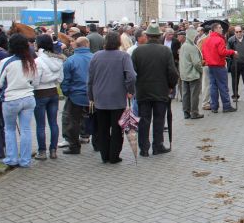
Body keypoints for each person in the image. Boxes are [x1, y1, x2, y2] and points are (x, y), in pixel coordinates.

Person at [88, 31, 135, 164]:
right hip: (117, 98)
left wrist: (91, 96)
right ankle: (114, 155)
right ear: (119, 42)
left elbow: (90, 79)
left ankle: (105, 155)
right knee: (117, 128)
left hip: (100, 98)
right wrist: (130, 90)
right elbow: (131, 76)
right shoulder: (123, 56)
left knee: (102, 128)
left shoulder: (96, 56)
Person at [132, 22, 179, 156]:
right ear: (159, 36)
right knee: (159, 120)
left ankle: (144, 148)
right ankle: (157, 145)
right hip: (160, 91)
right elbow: (172, 72)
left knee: (143, 120)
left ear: (147, 36)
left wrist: (134, 88)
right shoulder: (165, 51)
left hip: (143, 91)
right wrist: (171, 86)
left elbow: (132, 72)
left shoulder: (137, 51)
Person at [0, 34, 37, 168]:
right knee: (26, 129)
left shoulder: (6, 62)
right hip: (28, 98)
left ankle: (12, 158)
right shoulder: (30, 61)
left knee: (10, 129)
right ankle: (25, 160)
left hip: (11, 99)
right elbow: (34, 81)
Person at [33, 34, 65, 160]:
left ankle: (42, 151)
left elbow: (35, 81)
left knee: (41, 124)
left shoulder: (38, 61)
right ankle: (53, 150)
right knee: (53, 123)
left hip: (40, 93)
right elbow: (61, 78)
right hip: (53, 92)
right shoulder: (57, 59)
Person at [61, 37, 94, 155]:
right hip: (93, 96)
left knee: (72, 122)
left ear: (76, 46)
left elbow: (65, 80)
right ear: (87, 45)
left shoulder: (70, 61)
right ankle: (98, 144)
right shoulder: (95, 58)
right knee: (96, 120)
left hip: (76, 96)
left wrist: (66, 92)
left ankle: (74, 146)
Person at [201, 23, 237, 113]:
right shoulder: (219, 40)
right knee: (223, 86)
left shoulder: (207, 40)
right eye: (220, 28)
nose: (222, 29)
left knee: (213, 86)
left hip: (210, 66)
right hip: (219, 66)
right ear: (215, 29)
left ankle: (214, 106)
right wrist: (233, 52)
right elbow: (222, 52)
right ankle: (226, 106)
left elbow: (204, 52)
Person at [179, 27, 204, 120]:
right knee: (194, 95)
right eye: (196, 36)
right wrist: (201, 70)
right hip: (193, 74)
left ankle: (186, 112)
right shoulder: (192, 47)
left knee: (185, 94)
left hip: (184, 74)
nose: (197, 38)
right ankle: (194, 112)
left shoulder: (184, 46)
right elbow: (196, 63)